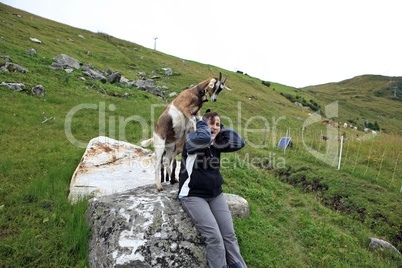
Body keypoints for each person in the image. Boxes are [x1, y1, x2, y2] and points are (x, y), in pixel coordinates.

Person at [178, 111, 247, 268]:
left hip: (215, 195)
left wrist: (220, 128)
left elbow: (239, 142)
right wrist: (203, 124)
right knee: (214, 238)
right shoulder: (192, 139)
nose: (214, 127)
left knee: (229, 235)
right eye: (211, 123)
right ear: (202, 125)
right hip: (193, 195)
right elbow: (203, 137)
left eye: (217, 124)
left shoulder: (216, 143)